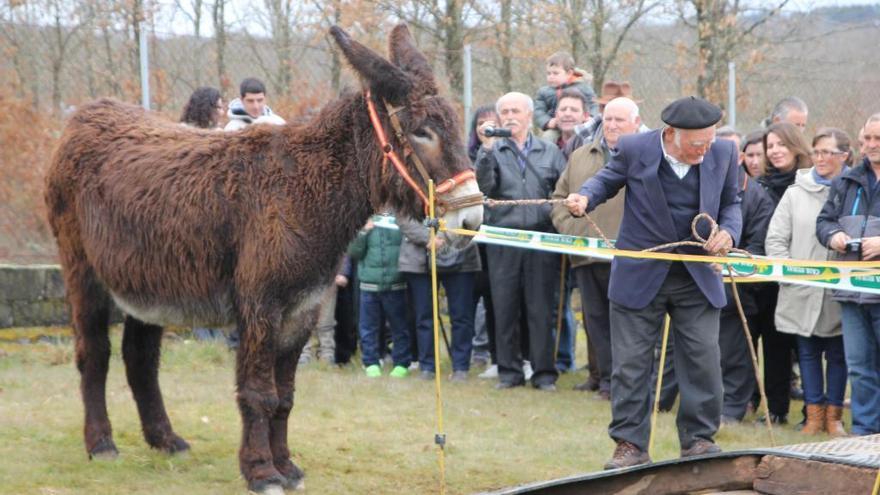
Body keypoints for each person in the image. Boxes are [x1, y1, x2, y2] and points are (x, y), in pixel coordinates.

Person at [567, 96, 741, 468]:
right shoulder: (635, 148)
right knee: (630, 364)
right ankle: (630, 445)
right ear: (670, 134)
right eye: (697, 144)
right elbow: (606, 180)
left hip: (697, 277)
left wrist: (728, 231)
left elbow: (732, 203)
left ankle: (699, 440)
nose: (704, 150)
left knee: (703, 360)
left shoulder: (724, 153)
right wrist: (585, 196)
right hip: (640, 274)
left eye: (709, 141)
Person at [551, 96, 642, 399]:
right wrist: (573, 231)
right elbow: (559, 198)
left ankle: (624, 382)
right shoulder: (580, 155)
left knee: (626, 323)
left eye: (620, 120)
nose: (612, 125)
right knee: (594, 320)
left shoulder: (647, 158)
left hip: (629, 257)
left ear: (636, 124)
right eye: (609, 119)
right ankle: (602, 378)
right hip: (587, 254)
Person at [475, 92, 567, 391]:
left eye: (516, 110)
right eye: (504, 111)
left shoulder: (549, 151)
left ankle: (543, 373)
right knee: (504, 306)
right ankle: (509, 372)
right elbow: (483, 188)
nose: (510, 116)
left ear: (529, 116)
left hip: (541, 239)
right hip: (504, 239)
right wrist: (486, 151)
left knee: (541, 308)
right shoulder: (493, 150)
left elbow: (561, 192)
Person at [766, 127, 851, 436]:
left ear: (844, 156)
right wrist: (787, 274)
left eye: (828, 152)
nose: (820, 158)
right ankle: (813, 416)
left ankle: (834, 417)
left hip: (839, 290)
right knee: (807, 353)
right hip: (801, 289)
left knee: (838, 355)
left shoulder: (852, 190)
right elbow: (776, 239)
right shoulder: (795, 192)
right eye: (817, 152)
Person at [817, 113, 880, 436]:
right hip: (851, 291)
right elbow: (824, 221)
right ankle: (866, 434)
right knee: (859, 367)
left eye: (877, 139)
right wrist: (833, 236)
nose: (870, 145)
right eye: (866, 139)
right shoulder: (846, 181)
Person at [749, 122, 813, 424]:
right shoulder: (759, 184)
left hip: (803, 274)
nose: (774, 151)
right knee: (772, 345)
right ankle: (774, 409)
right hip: (766, 275)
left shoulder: (810, 182)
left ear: (796, 146)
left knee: (803, 348)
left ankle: (813, 412)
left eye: (780, 145)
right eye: (770, 146)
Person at [397, 214, 481, 381]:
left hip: (462, 255)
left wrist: (443, 238)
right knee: (424, 317)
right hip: (418, 258)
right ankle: (427, 366)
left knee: (461, 317)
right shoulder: (409, 187)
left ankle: (461, 367)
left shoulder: (467, 186)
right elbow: (403, 215)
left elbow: (474, 216)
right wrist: (428, 238)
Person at [347, 216, 412, 378]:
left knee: (400, 327)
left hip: (396, 283)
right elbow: (354, 251)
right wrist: (363, 232)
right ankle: (370, 363)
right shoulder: (367, 219)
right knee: (368, 328)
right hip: (369, 284)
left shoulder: (399, 218)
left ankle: (402, 363)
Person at [534, 51, 598, 142]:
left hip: (579, 124)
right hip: (556, 127)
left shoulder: (583, 87)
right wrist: (547, 122)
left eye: (555, 73)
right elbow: (538, 111)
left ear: (569, 73)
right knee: (547, 139)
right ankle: (548, 155)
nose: (551, 77)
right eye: (548, 73)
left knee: (588, 139)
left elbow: (593, 104)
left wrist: (591, 117)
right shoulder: (544, 92)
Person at [553, 89, 590, 156]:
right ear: (556, 115)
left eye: (574, 110)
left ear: (585, 116)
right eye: (563, 109)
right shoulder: (545, 149)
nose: (567, 114)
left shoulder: (592, 148)